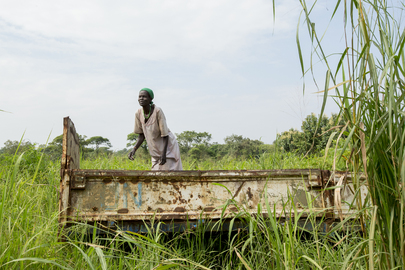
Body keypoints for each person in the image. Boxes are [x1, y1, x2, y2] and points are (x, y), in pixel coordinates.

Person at [128, 88, 183, 170]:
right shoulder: (138, 113)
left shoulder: (157, 111)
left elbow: (165, 135)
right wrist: (134, 149)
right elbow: (141, 135)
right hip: (155, 149)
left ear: (150, 99)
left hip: (167, 147)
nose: (141, 99)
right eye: (140, 97)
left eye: (144, 97)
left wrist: (163, 154)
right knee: (156, 172)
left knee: (168, 172)